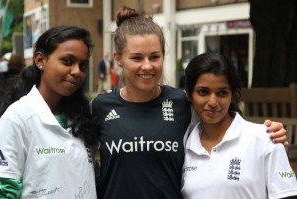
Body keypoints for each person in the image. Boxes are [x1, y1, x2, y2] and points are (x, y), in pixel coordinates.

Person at [91, 6, 288, 199]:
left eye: (154, 56)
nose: (147, 66)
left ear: (163, 56)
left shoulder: (183, 102)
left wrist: (267, 137)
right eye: (136, 57)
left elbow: (223, 120)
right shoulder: (100, 106)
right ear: (118, 58)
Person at [0, 25, 97, 198]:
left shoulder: (85, 116)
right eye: (67, 61)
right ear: (40, 60)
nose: (76, 72)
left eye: (82, 65)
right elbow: (4, 191)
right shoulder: (18, 118)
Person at [181, 52, 297, 199]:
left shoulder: (265, 139)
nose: (213, 102)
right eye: (203, 92)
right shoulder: (184, 146)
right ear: (189, 95)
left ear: (232, 96)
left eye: (222, 93)